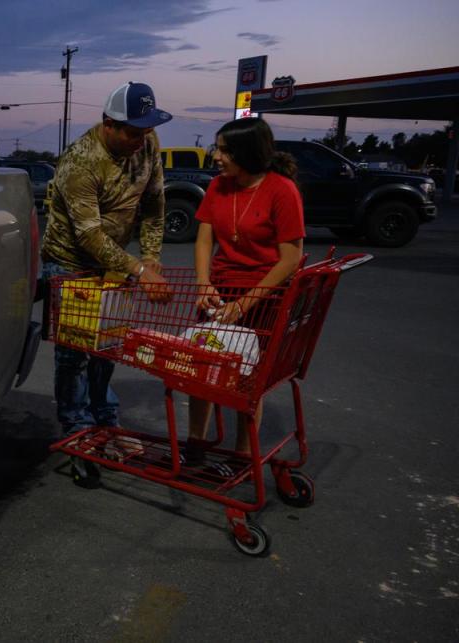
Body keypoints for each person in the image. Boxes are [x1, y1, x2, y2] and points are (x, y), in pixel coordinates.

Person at [41, 81, 173, 487]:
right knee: (75, 354)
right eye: (133, 132)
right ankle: (77, 428)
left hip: (117, 265)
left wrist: (150, 256)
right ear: (108, 124)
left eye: (146, 130)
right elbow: (90, 236)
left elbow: (154, 206)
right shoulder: (81, 162)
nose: (141, 140)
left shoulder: (146, 144)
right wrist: (138, 271)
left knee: (110, 346)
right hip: (72, 264)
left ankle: (105, 418)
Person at [186, 117, 304, 477]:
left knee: (245, 381)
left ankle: (240, 455)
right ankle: (195, 444)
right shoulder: (219, 187)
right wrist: (204, 283)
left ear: (247, 153)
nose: (216, 157)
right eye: (217, 148)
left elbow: (291, 259)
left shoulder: (281, 191)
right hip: (222, 292)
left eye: (224, 150)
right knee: (200, 367)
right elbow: (205, 238)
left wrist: (245, 304)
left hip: (263, 296)